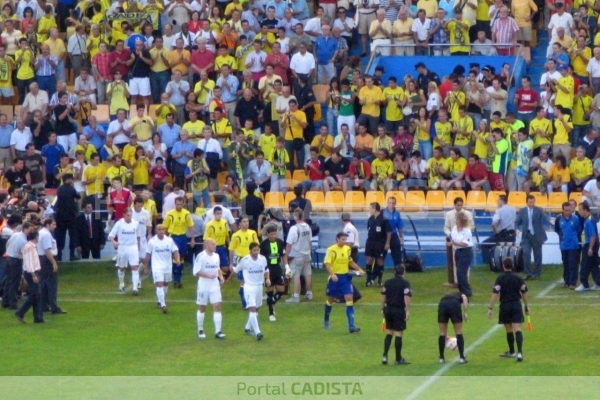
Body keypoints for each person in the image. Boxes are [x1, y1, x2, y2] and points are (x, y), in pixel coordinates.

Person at [487, 257, 530, 362]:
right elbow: (524, 292)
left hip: (505, 305)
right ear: (512, 266)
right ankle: (519, 353)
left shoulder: (500, 279)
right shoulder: (518, 278)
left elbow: (495, 294)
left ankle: (512, 351)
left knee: (508, 328)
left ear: (503, 266)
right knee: (518, 328)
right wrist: (526, 306)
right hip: (516, 304)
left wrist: (490, 308)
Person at [324, 231, 365, 333]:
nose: (345, 241)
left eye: (346, 239)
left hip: (345, 278)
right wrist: (332, 274)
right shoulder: (331, 250)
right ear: (337, 239)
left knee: (349, 298)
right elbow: (327, 264)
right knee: (331, 299)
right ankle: (326, 320)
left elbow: (350, 261)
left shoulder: (347, 249)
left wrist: (359, 269)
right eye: (343, 239)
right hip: (335, 278)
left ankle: (351, 326)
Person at [233, 242, 269, 340]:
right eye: (254, 250)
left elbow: (266, 270)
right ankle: (258, 333)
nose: (256, 252)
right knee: (252, 309)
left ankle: (247, 327)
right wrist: (227, 280)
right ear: (250, 251)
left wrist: (268, 279)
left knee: (256, 309)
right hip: (249, 287)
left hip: (259, 286)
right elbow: (236, 270)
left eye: (258, 250)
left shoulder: (263, 259)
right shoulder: (245, 260)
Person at [193, 237, 226, 338]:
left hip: (214, 285)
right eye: (212, 244)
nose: (215, 246)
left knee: (217, 306)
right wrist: (208, 275)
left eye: (215, 244)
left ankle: (218, 331)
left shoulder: (216, 256)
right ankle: (200, 329)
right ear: (207, 246)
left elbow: (217, 268)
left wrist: (221, 276)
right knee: (202, 307)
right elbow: (196, 271)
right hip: (204, 285)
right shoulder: (201, 256)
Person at [144, 224, 180, 313]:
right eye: (159, 229)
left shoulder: (169, 240)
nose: (161, 231)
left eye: (163, 229)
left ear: (165, 230)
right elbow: (148, 255)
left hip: (167, 266)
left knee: (165, 284)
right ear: (156, 231)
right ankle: (163, 305)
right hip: (157, 267)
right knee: (159, 284)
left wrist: (178, 259)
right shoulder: (152, 241)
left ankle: (160, 300)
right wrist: (146, 267)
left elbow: (175, 251)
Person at [381, 264, 411, 365]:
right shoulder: (405, 283)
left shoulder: (388, 282)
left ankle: (384, 356)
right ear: (404, 272)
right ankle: (398, 358)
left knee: (389, 332)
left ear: (395, 272)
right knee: (398, 334)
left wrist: (382, 308)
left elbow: (383, 296)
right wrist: (407, 310)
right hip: (398, 310)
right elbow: (406, 297)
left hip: (388, 309)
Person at [163, 196, 195, 288]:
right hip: (173, 237)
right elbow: (165, 227)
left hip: (182, 237)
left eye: (181, 204)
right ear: (175, 204)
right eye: (177, 204)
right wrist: (164, 239)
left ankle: (178, 279)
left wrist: (193, 238)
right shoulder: (170, 214)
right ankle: (174, 277)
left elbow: (191, 226)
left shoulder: (186, 213)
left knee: (181, 258)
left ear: (183, 204)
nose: (179, 206)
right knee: (174, 258)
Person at [228, 216, 259, 308]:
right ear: (240, 224)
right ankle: (245, 302)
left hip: (251, 260)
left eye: (247, 221)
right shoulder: (236, 235)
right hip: (241, 260)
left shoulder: (253, 233)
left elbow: (257, 246)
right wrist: (231, 263)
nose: (246, 223)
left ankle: (250, 300)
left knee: (251, 281)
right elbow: (231, 250)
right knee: (243, 282)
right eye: (244, 221)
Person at [515, 195, 549, 280]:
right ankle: (527, 273)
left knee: (538, 255)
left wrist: (551, 220)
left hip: (537, 235)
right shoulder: (522, 211)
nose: (532, 204)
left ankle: (537, 273)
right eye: (530, 202)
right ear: (527, 202)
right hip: (527, 235)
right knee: (526, 253)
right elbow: (517, 222)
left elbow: (545, 217)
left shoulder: (539, 210)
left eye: (533, 202)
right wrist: (516, 229)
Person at [108, 208, 141, 294]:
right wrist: (114, 241)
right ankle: (121, 283)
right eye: (127, 215)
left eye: (130, 214)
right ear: (124, 215)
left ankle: (135, 288)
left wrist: (138, 246)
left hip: (133, 247)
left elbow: (138, 236)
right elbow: (111, 235)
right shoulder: (119, 224)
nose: (129, 216)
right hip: (122, 247)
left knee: (135, 267)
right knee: (121, 268)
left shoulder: (136, 223)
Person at [443, 197, 475, 286]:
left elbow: (472, 226)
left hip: (464, 242)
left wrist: (464, 232)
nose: (459, 207)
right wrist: (451, 235)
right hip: (454, 242)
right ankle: (457, 282)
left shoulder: (467, 214)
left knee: (465, 264)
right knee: (454, 262)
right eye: (458, 205)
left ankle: (465, 281)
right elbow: (446, 227)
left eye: (461, 205)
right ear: (454, 205)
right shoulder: (449, 214)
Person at [2, 221, 33, 311]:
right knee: (14, 283)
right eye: (30, 229)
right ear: (25, 229)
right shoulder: (23, 241)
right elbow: (24, 254)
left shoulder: (15, 234)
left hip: (8, 258)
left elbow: (7, 243)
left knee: (8, 281)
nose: (31, 231)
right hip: (16, 260)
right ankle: (13, 303)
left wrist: (8, 251)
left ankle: (5, 301)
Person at [37, 217, 65, 315]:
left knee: (44, 283)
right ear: (47, 225)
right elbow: (47, 250)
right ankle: (54, 306)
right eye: (53, 224)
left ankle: (44, 305)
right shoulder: (46, 235)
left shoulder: (40, 233)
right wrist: (53, 262)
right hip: (47, 260)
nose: (55, 226)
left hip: (41, 259)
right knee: (52, 284)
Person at [260, 225, 288, 321]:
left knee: (281, 290)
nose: (273, 235)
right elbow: (262, 258)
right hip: (268, 269)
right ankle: (271, 313)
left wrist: (287, 266)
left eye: (275, 233)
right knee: (270, 290)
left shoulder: (280, 243)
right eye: (272, 234)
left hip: (277, 268)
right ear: (267, 234)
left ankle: (273, 301)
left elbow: (283, 255)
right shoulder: (264, 244)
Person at [15, 230, 44, 324]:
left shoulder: (31, 247)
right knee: (35, 294)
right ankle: (21, 312)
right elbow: (29, 262)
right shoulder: (29, 247)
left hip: (34, 272)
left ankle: (38, 317)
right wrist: (33, 275)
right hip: (32, 272)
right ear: (36, 237)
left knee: (37, 295)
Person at [285, 208, 313, 303]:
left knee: (296, 276)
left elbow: (289, 244)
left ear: (295, 216)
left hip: (297, 255)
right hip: (306, 253)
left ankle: (296, 296)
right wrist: (309, 252)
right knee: (308, 274)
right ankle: (309, 293)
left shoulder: (294, 228)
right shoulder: (308, 227)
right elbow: (310, 242)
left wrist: (286, 255)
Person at [554, 201, 583, 289]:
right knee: (566, 264)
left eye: (569, 210)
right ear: (562, 210)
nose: (568, 212)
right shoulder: (559, 219)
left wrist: (573, 237)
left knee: (573, 264)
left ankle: (573, 283)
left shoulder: (575, 219)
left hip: (574, 245)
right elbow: (557, 230)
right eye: (566, 210)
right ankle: (566, 281)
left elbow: (579, 229)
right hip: (563, 245)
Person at [482, 195, 516, 265]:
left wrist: (495, 231)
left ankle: (488, 263)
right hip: (512, 235)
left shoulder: (499, 211)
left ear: (501, 201)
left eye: (498, 200)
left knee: (484, 244)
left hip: (502, 235)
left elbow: (494, 224)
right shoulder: (513, 209)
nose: (498, 202)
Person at [447, 211, 474, 298]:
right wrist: (449, 241)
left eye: (458, 220)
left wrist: (453, 243)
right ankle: (462, 291)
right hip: (458, 252)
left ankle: (467, 291)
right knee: (459, 273)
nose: (456, 221)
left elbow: (465, 243)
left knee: (461, 273)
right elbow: (451, 237)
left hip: (466, 252)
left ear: (462, 221)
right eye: (456, 219)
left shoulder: (467, 231)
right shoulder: (454, 228)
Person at [54, 173, 80, 262]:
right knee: (72, 235)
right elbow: (78, 196)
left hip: (60, 216)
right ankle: (72, 255)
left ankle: (59, 255)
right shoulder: (71, 189)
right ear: (68, 180)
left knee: (60, 235)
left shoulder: (59, 189)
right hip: (70, 215)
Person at [437, 291, 469, 364]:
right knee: (458, 332)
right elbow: (464, 298)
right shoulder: (462, 294)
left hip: (442, 304)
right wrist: (465, 312)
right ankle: (461, 357)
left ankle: (441, 358)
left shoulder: (447, 295)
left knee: (442, 333)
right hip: (454, 304)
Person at [575, 202, 600, 291]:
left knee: (585, 265)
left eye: (580, 210)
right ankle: (598, 283)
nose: (579, 212)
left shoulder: (588, 221)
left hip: (589, 244)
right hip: (594, 244)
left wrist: (590, 248)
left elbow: (593, 235)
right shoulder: (590, 219)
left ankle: (584, 285)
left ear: (585, 210)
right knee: (594, 265)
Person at [365, 202, 391, 287]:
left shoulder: (384, 219)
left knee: (379, 260)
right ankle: (368, 279)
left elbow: (388, 232)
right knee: (369, 259)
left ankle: (379, 280)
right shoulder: (370, 219)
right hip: (370, 242)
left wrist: (387, 243)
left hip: (380, 243)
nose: (369, 210)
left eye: (370, 208)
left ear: (374, 209)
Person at [382, 197, 404, 267]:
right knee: (381, 255)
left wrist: (401, 237)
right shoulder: (382, 212)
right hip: (384, 236)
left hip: (394, 235)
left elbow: (400, 226)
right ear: (387, 203)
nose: (391, 205)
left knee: (397, 255)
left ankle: (398, 270)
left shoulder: (397, 213)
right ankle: (379, 271)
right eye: (390, 203)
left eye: (393, 203)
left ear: (395, 204)